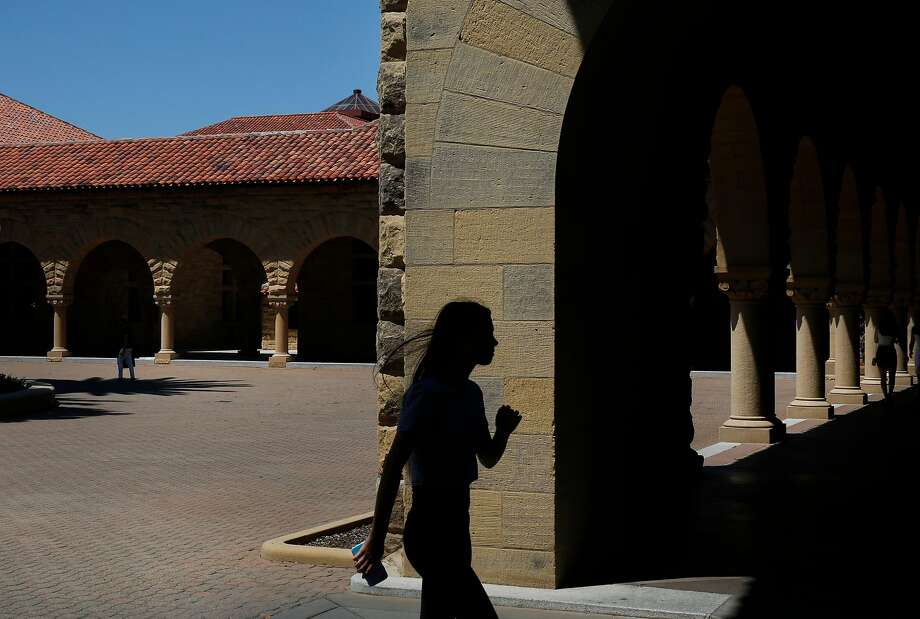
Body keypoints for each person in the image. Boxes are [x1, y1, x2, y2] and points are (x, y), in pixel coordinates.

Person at [354, 301, 522, 618]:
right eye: (488, 334)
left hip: (458, 528)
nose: (494, 342)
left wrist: (502, 433)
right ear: (464, 340)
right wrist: (376, 541)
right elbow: (392, 469)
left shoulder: (471, 393)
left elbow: (487, 457)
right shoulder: (426, 395)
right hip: (430, 531)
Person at [875, 308, 899, 404]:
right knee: (892, 375)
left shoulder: (879, 326)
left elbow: (875, 340)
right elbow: (896, 340)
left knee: (883, 377)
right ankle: (890, 394)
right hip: (890, 350)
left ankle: (886, 397)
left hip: (881, 351)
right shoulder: (894, 327)